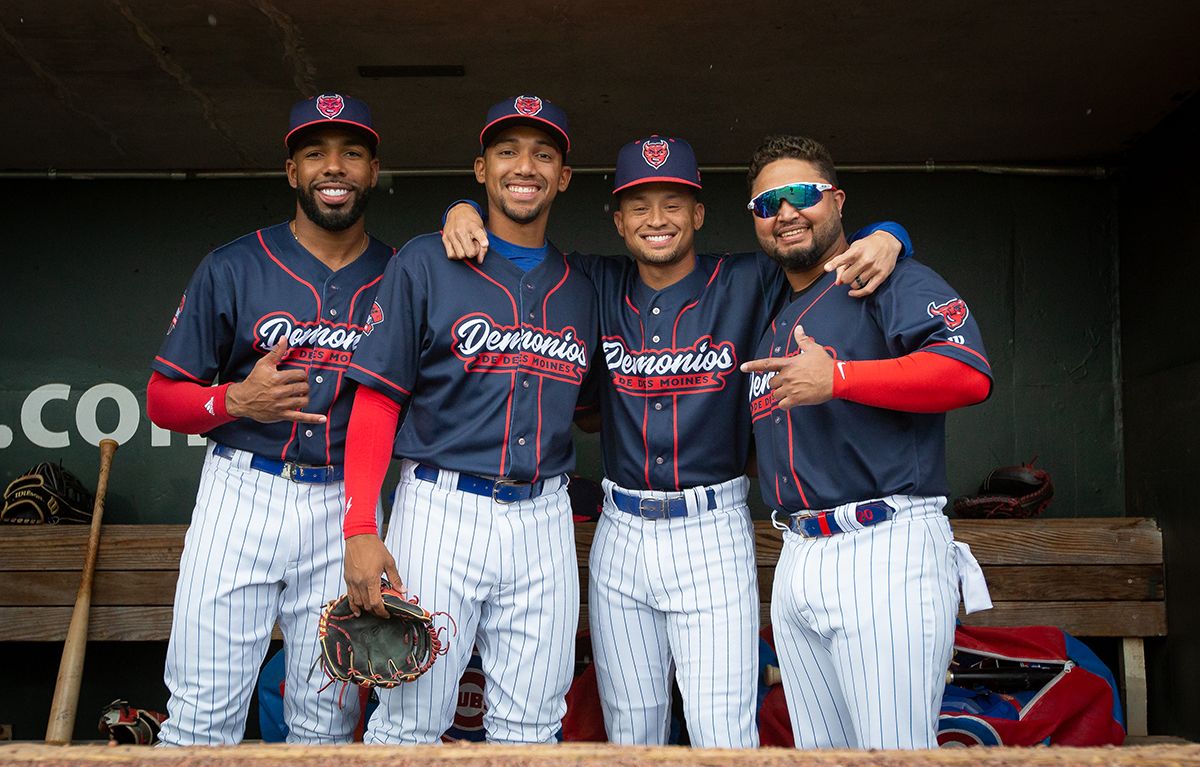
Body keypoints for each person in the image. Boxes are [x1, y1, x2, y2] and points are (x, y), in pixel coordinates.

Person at [439, 135, 910, 748]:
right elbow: (514, 242)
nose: (656, 219)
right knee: (632, 731)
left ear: (699, 214)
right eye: (639, 206)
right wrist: (461, 210)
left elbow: (817, 243)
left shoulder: (749, 280)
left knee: (722, 731)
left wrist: (891, 233)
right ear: (617, 220)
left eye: (673, 203)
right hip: (621, 530)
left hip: (712, 528)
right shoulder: (593, 282)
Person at [340, 95, 599, 745]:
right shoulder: (427, 261)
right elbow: (376, 399)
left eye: (544, 154)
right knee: (409, 719)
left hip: (544, 518)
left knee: (535, 724)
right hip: (440, 509)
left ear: (563, 178)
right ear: (480, 168)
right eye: (507, 151)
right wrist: (361, 527)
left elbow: (595, 406)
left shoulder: (582, 286)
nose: (525, 166)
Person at [146, 93, 391, 745]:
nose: (333, 167)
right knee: (200, 713)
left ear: (373, 171)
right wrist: (232, 401)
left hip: (343, 500)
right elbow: (161, 397)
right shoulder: (233, 265)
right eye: (315, 153)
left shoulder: (401, 276)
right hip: (241, 491)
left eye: (351, 154)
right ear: (292, 171)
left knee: (328, 723)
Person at [739, 134, 994, 750]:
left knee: (893, 753)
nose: (786, 213)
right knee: (820, 756)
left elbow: (968, 374)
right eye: (767, 204)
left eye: (803, 195)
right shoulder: (774, 301)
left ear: (838, 199)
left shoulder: (889, 278)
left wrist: (843, 377)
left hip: (885, 544)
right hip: (797, 549)